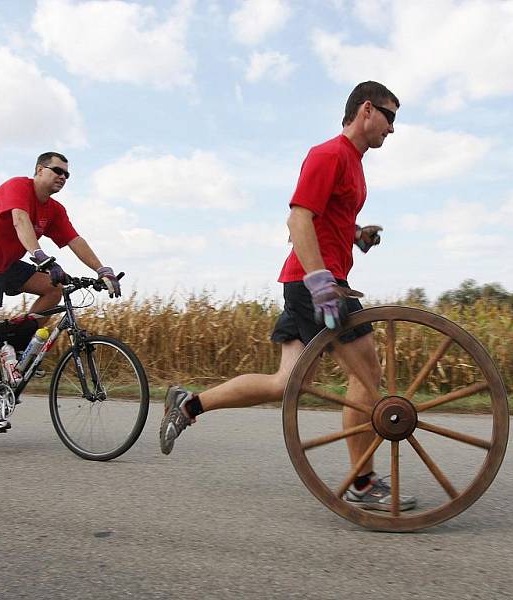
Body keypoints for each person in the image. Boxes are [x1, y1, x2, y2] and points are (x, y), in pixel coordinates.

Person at [159, 81, 416, 511]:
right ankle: (363, 482)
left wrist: (355, 235)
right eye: (391, 117)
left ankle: (189, 405)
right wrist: (320, 284)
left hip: (310, 282)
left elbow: (324, 218)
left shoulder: (354, 165)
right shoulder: (329, 154)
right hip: (319, 285)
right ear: (366, 110)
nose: (393, 128)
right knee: (368, 378)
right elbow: (298, 221)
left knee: (284, 383)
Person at [0, 152, 121, 432]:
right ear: (39, 170)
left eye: (67, 174)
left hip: (3, 264)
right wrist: (40, 256)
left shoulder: (55, 210)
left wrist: (103, 270)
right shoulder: (18, 187)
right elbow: (19, 220)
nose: (63, 177)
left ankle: (15, 347)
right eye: (57, 171)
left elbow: (74, 240)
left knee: (55, 288)